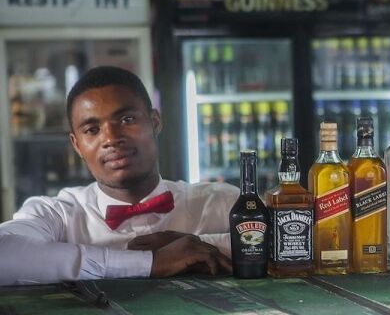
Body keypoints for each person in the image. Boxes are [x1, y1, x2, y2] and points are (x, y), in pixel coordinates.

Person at [0, 66, 238, 285]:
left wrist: (194, 243)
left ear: (155, 122)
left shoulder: (220, 202)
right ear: (77, 145)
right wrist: (151, 262)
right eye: (92, 130)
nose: (111, 139)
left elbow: (264, 242)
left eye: (127, 120)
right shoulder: (57, 215)